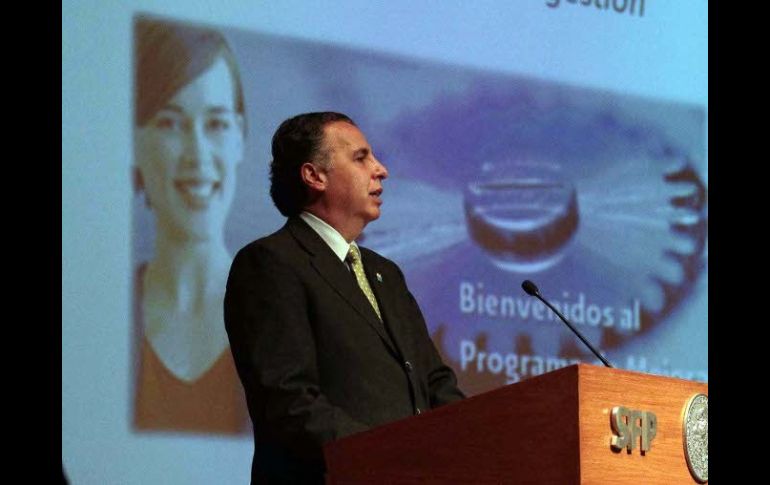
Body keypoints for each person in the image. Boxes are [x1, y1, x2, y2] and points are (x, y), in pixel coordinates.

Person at [224, 112, 466, 483]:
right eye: (361, 158)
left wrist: (477, 440)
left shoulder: (385, 274)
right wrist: (395, 461)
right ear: (314, 176)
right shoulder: (270, 263)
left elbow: (435, 383)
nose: (381, 170)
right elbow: (289, 402)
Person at [132, 16, 249, 434]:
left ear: (239, 139)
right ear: (135, 142)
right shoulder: (91, 312)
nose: (197, 154)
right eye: (170, 123)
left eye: (216, 124)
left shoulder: (294, 323)